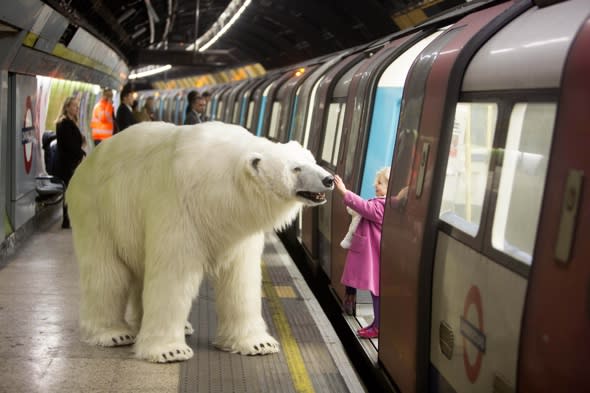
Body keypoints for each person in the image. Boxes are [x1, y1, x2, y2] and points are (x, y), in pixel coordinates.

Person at [333, 167, 396, 339]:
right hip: (374, 254)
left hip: (375, 255)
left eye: (380, 183)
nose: (376, 185)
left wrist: (344, 192)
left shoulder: (381, 206)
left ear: (390, 187)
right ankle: (376, 323)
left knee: (376, 291)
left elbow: (364, 207)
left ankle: (378, 326)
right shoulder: (383, 203)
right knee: (374, 291)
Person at [55, 96, 86, 229]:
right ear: (67, 107)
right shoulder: (64, 123)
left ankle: (70, 219)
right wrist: (81, 153)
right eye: (74, 106)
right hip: (68, 164)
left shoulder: (71, 122)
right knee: (69, 191)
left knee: (71, 191)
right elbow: (69, 145)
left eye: (77, 106)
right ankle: (67, 221)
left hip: (72, 162)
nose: (77, 108)